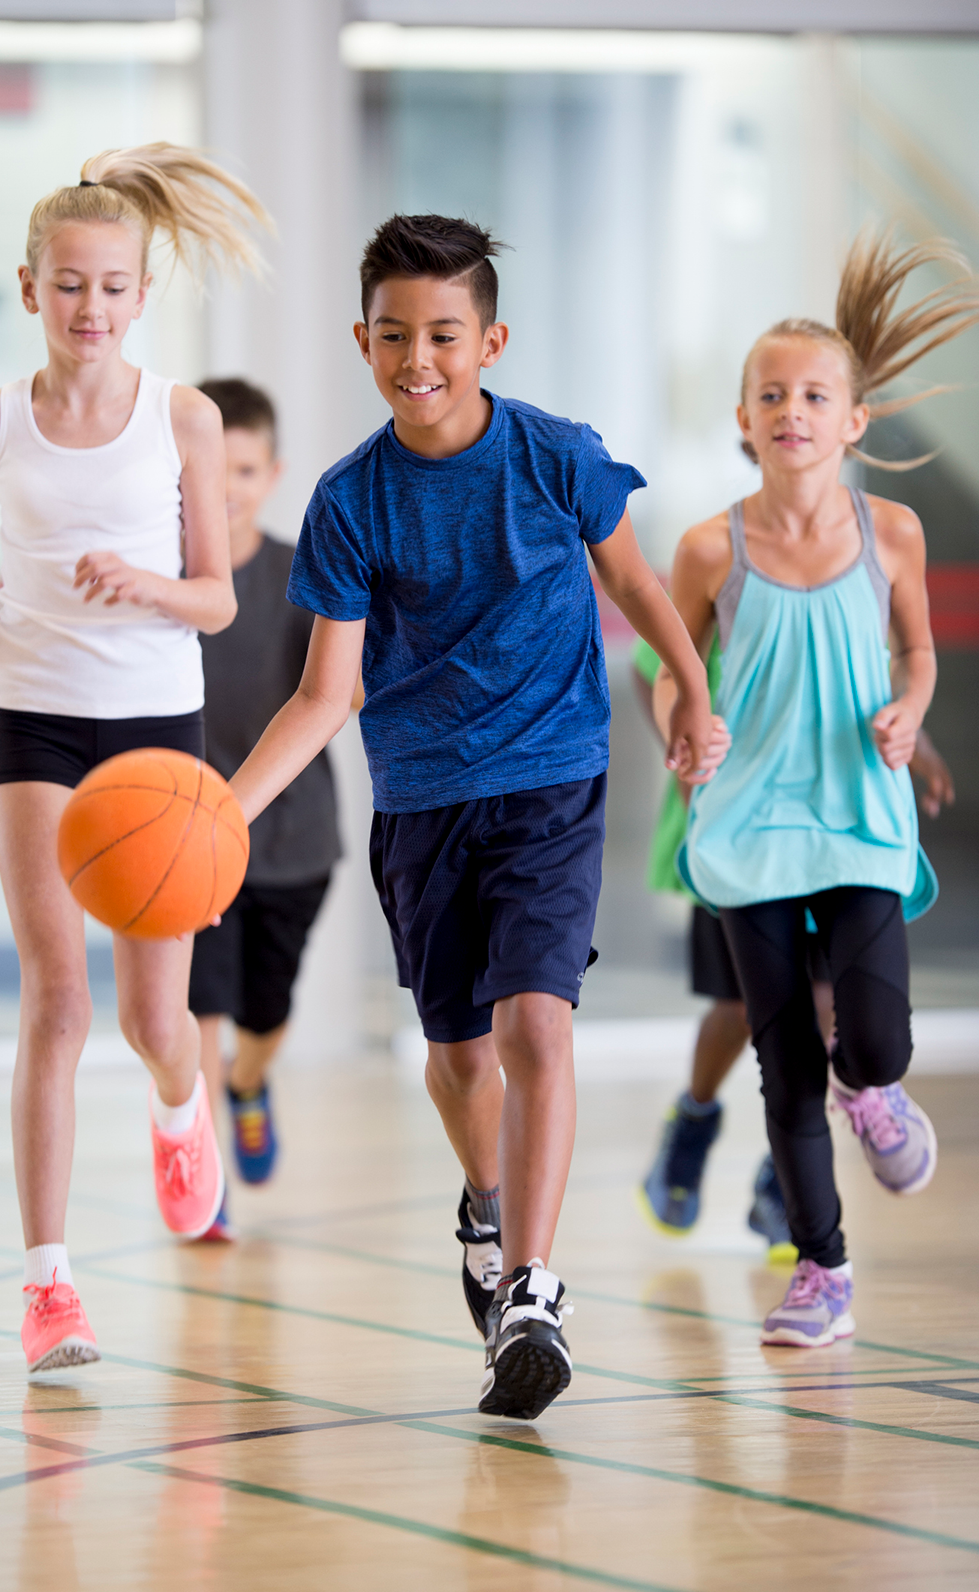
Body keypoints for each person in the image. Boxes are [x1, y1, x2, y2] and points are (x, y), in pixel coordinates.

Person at [227, 213, 726, 1419]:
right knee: (457, 1056)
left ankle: (530, 1288)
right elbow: (324, 692)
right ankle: (485, 1203)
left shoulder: (556, 456)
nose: (419, 358)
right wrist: (224, 808)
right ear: (362, 340)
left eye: (443, 333)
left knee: (535, 1026)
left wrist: (691, 694)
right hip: (422, 799)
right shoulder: (352, 502)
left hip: (552, 779)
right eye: (394, 335)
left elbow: (637, 582)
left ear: (488, 338)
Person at [0, 145, 267, 1373]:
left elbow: (220, 600)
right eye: (70, 286)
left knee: (150, 1014)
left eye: (113, 287)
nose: (91, 308)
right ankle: (49, 1286)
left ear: (141, 293)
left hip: (156, 729)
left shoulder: (184, 416)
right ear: (30, 289)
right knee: (58, 999)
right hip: (37, 720)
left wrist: (149, 584)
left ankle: (185, 1108)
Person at [654, 231, 978, 1348]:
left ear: (853, 422)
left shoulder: (891, 530)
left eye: (813, 394)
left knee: (868, 1042)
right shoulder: (706, 548)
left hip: (856, 818)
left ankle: (874, 1091)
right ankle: (821, 1273)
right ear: (743, 418)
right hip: (746, 827)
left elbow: (919, 653)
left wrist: (911, 707)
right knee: (781, 1059)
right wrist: (682, 726)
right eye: (769, 393)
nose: (790, 408)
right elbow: (671, 670)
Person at [631, 638, 954, 1257]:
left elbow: (885, 672)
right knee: (741, 1013)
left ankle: (784, 1181)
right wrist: (688, 754)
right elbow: (655, 670)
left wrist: (921, 747)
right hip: (738, 837)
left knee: (827, 1006)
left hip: (825, 831)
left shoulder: (842, 569)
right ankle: (693, 1120)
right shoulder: (720, 568)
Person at [187, 378, 343, 1227]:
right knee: (201, 1005)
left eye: (242, 470)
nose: (224, 489)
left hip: (293, 840)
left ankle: (250, 1084)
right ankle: (203, 1184)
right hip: (186, 841)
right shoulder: (163, 581)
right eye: (207, 471)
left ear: (271, 473)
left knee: (264, 1009)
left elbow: (338, 690)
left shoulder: (300, 575)